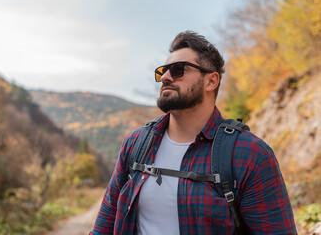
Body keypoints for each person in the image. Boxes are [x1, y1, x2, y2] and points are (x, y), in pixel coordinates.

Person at [90, 31, 297, 235]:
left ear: (211, 81)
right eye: (163, 71)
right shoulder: (136, 143)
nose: (165, 77)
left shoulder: (250, 153)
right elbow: (105, 222)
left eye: (178, 69)